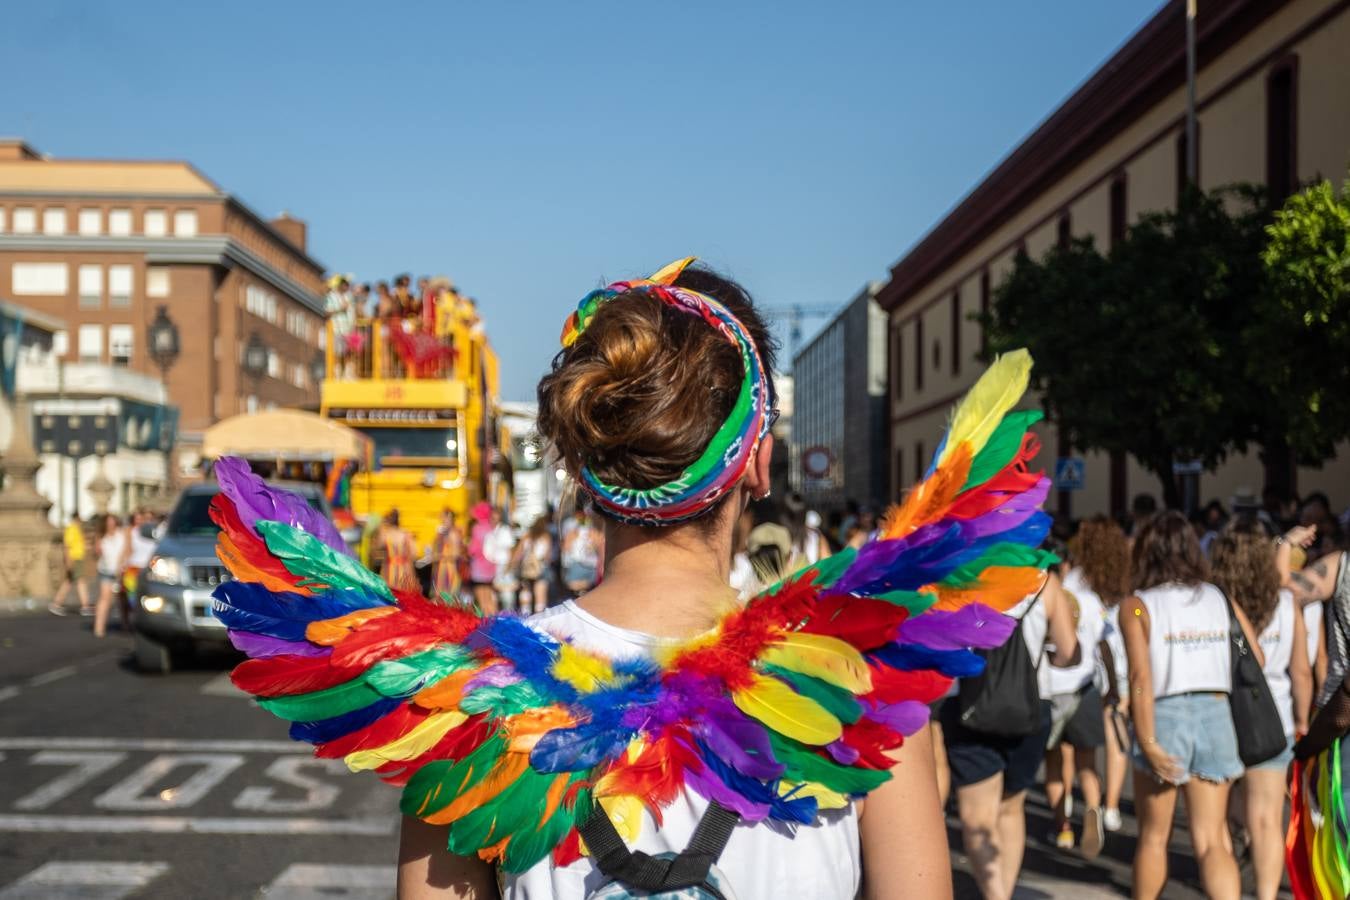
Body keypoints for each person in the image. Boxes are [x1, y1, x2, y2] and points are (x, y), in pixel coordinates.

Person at [1120, 510, 1262, 900]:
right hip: (1216, 713)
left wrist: (1147, 740)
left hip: (1164, 717)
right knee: (1213, 839)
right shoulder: (1218, 597)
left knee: (1153, 837)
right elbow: (1256, 658)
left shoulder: (1136, 605)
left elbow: (1139, 678)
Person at [940, 570, 1079, 900]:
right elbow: (1067, 650)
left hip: (969, 704)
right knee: (1012, 807)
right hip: (1031, 707)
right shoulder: (1044, 580)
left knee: (978, 815)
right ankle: (1004, 892)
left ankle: (996, 896)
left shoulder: (962, 571)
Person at [1210, 521, 1312, 900]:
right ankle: (1266, 895)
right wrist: (1302, 722)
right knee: (1269, 819)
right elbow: (1300, 670)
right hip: (1275, 720)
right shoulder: (1286, 602)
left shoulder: (1213, 602)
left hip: (1223, 717)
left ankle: (1227, 884)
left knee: (1216, 815)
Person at [1043, 517, 1127, 858]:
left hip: (1050, 689)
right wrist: (1113, 686)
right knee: (1087, 761)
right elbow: (1105, 643)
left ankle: (1063, 827)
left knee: (1054, 762)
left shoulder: (1048, 597)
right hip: (1085, 687)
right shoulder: (1091, 598)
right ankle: (1094, 806)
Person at [92, 513, 128, 638]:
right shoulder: (101, 536)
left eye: (112, 521)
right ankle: (99, 628)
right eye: (108, 522)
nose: (110, 524)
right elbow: (96, 552)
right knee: (104, 598)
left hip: (120, 570)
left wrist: (121, 564)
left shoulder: (121, 534)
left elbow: (126, 550)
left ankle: (125, 624)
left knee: (122, 599)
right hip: (106, 570)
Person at [509, 516, 553, 615]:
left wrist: (511, 566)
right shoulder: (546, 536)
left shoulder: (527, 535)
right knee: (540, 596)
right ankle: (539, 618)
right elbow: (548, 556)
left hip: (526, 569)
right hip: (541, 568)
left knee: (525, 591)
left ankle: (526, 615)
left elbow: (517, 553)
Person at [50, 516, 90, 616]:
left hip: (76, 558)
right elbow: (67, 547)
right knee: (81, 581)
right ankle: (85, 606)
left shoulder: (76, 529)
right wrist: (68, 562)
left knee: (68, 582)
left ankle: (56, 603)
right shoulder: (72, 529)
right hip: (74, 559)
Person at [560, 506, 602, 596]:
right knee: (589, 588)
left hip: (579, 561)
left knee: (573, 586)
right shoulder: (594, 530)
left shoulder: (573, 528)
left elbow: (566, 547)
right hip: (592, 563)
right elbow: (599, 544)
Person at [374, 509, 417, 593]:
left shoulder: (386, 534)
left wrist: (381, 528)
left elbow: (378, 546)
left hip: (389, 569)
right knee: (405, 594)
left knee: (391, 594)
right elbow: (413, 553)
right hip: (404, 569)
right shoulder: (405, 534)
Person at [429, 508, 463, 604]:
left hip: (449, 569)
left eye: (444, 517)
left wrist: (440, 556)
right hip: (440, 569)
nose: (442, 519)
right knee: (438, 598)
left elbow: (456, 554)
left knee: (448, 598)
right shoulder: (441, 533)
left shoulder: (453, 533)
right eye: (441, 517)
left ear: (450, 518)